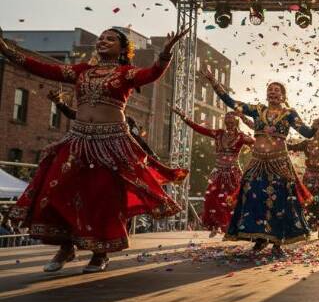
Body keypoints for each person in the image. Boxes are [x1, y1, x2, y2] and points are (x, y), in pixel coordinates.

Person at [0, 26, 189, 273]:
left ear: (123, 48)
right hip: (77, 140)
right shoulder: (81, 71)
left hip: (110, 143)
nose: (103, 41)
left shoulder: (126, 73)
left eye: (110, 39)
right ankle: (66, 247)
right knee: (56, 190)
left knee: (102, 198)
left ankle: (100, 254)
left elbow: (152, 74)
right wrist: (7, 50)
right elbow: (44, 68)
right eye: (101, 38)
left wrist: (166, 52)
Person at [202, 68, 319, 256]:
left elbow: (307, 133)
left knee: (281, 201)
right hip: (258, 162)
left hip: (279, 163)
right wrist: (214, 83)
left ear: (283, 95)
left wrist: (317, 122)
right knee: (254, 197)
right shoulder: (257, 110)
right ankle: (260, 238)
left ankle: (278, 240)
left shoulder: (289, 114)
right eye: (270, 89)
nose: (272, 92)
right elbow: (232, 102)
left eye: (277, 90)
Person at [172, 107, 254, 237]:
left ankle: (232, 228)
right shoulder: (218, 133)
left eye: (232, 119)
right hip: (218, 171)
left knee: (232, 200)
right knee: (211, 199)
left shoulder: (241, 136)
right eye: (227, 119)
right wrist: (184, 118)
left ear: (236, 122)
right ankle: (217, 225)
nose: (229, 121)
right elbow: (199, 128)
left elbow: (256, 143)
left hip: (233, 173)